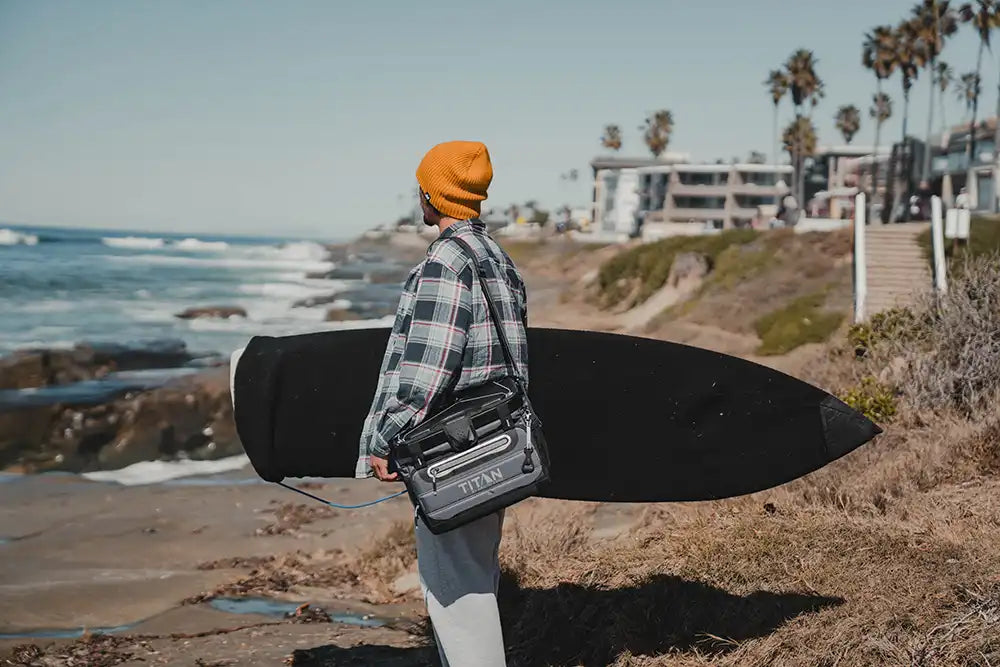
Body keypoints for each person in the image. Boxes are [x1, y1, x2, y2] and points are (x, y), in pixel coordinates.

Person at [356, 140, 527, 667]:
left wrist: (387, 438)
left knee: (456, 594)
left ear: (431, 196)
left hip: (453, 452)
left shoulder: (446, 262)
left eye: (421, 190)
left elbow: (426, 369)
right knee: (475, 577)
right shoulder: (497, 258)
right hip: (495, 442)